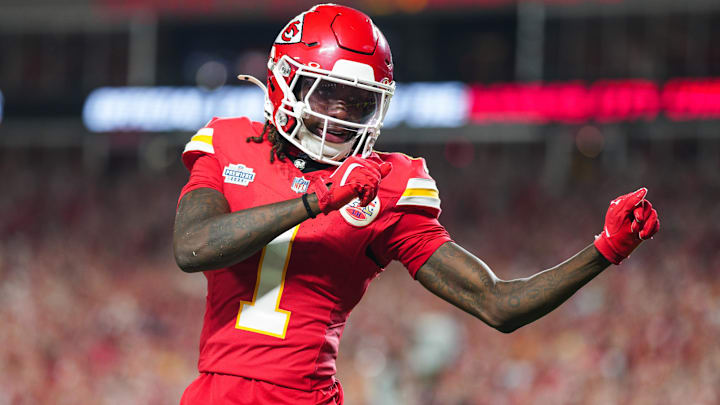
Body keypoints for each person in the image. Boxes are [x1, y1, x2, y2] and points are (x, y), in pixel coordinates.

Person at [172, 4, 660, 404]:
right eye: (328, 96)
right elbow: (192, 248)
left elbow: (497, 304)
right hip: (212, 393)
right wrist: (315, 199)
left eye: (357, 102)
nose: (342, 116)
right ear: (286, 83)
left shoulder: (387, 183)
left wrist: (605, 250)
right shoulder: (230, 142)